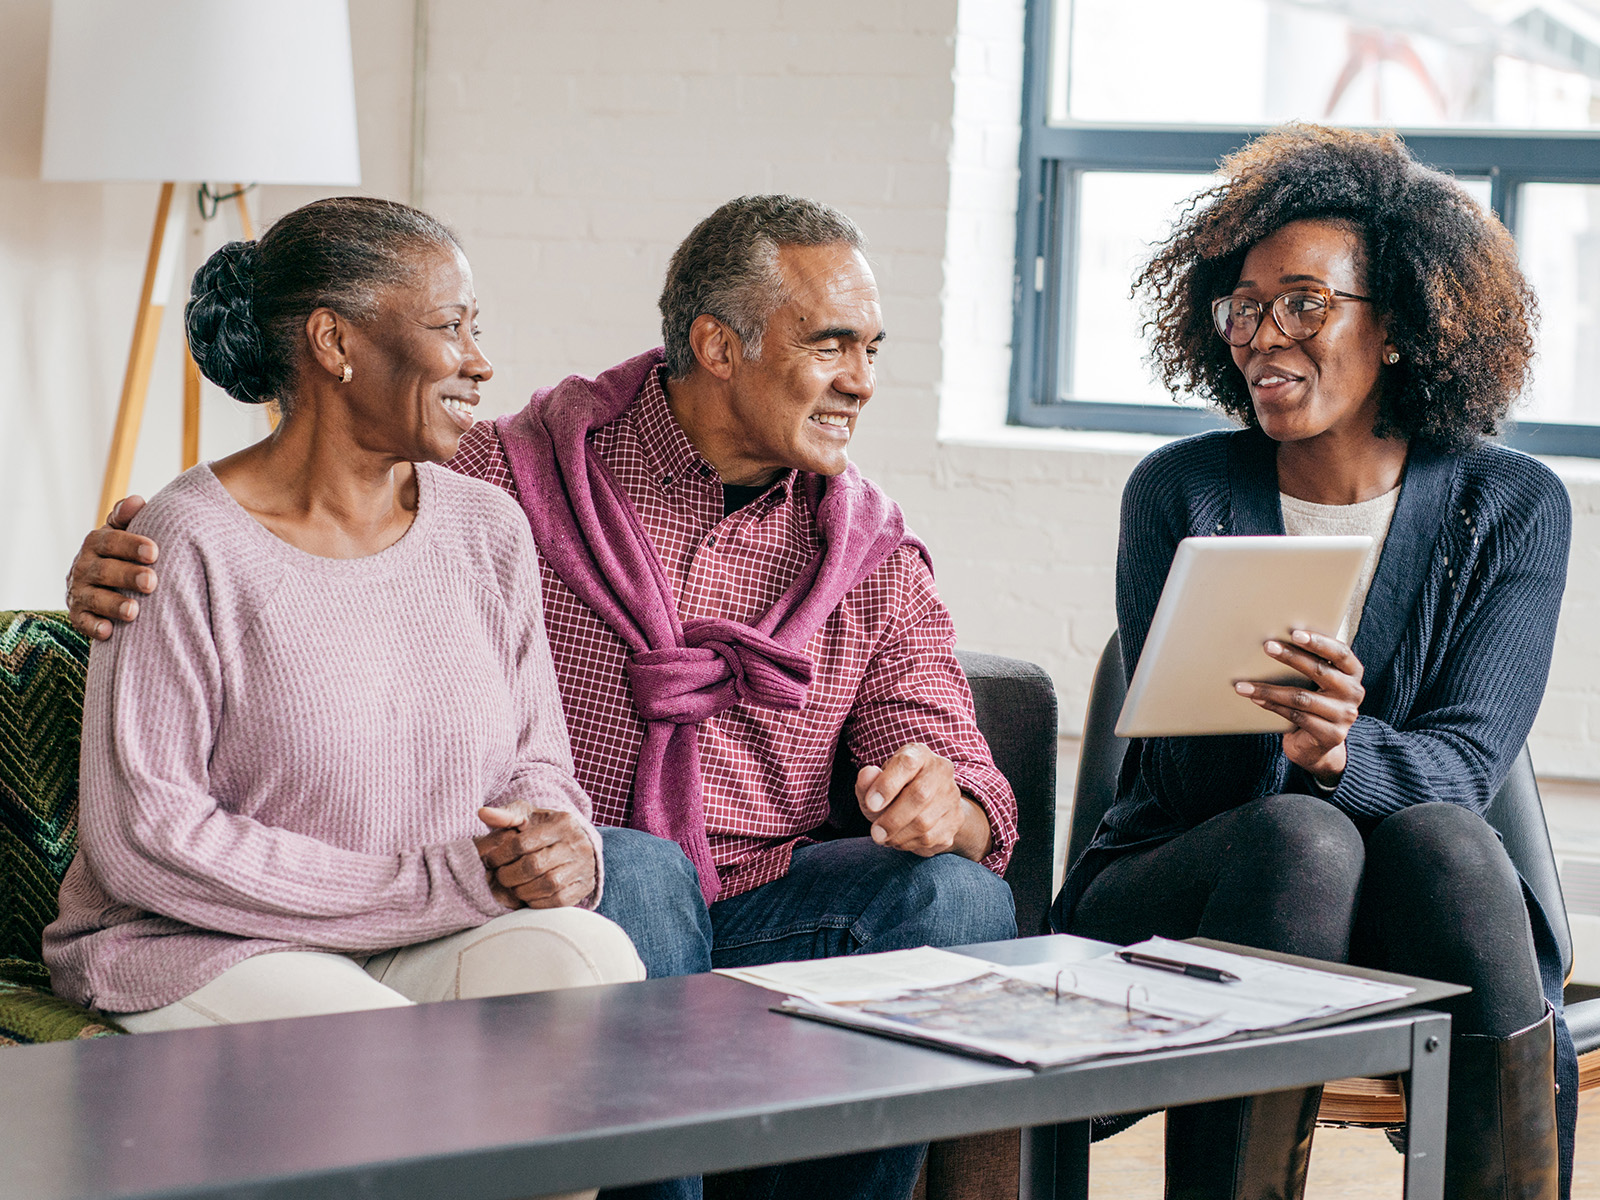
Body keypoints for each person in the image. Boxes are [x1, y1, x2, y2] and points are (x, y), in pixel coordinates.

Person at [66, 195, 1019, 1200]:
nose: (862, 383)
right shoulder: (519, 472)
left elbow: (942, 744)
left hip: (756, 905)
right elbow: (315, 502)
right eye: (832, 346)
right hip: (598, 892)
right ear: (718, 346)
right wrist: (116, 555)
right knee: (639, 876)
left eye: (872, 348)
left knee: (960, 897)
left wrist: (938, 799)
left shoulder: (865, 550)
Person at [45, 198, 644, 1140]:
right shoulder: (183, 543)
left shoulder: (488, 530)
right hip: (209, 945)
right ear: (334, 340)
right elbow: (149, 837)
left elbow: (536, 763)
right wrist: (431, 883)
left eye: (475, 329)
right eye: (451, 327)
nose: (480, 361)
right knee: (386, 1055)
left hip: (423, 930)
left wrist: (561, 839)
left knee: (592, 967)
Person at [1051, 125, 1571, 1200]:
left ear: (1395, 325)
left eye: (1302, 301)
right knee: (1301, 836)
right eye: (1243, 307)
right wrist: (1278, 747)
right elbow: (1183, 788)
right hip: (1194, 880)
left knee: (1440, 837)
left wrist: (1340, 751)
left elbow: (1465, 770)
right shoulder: (1180, 491)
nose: (1261, 334)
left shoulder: (1511, 506)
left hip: (1420, 905)